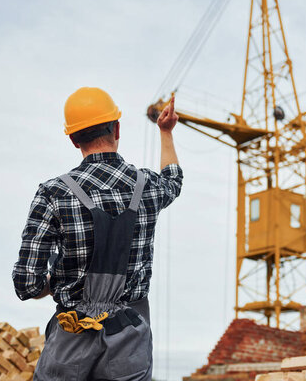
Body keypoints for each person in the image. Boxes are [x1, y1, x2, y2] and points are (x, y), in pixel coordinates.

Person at [12, 87, 182, 380]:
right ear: (117, 128)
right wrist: (166, 132)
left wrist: (58, 281)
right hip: (130, 344)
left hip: (70, 343)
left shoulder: (54, 193)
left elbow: (26, 285)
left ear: (73, 139)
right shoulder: (150, 187)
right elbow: (174, 180)